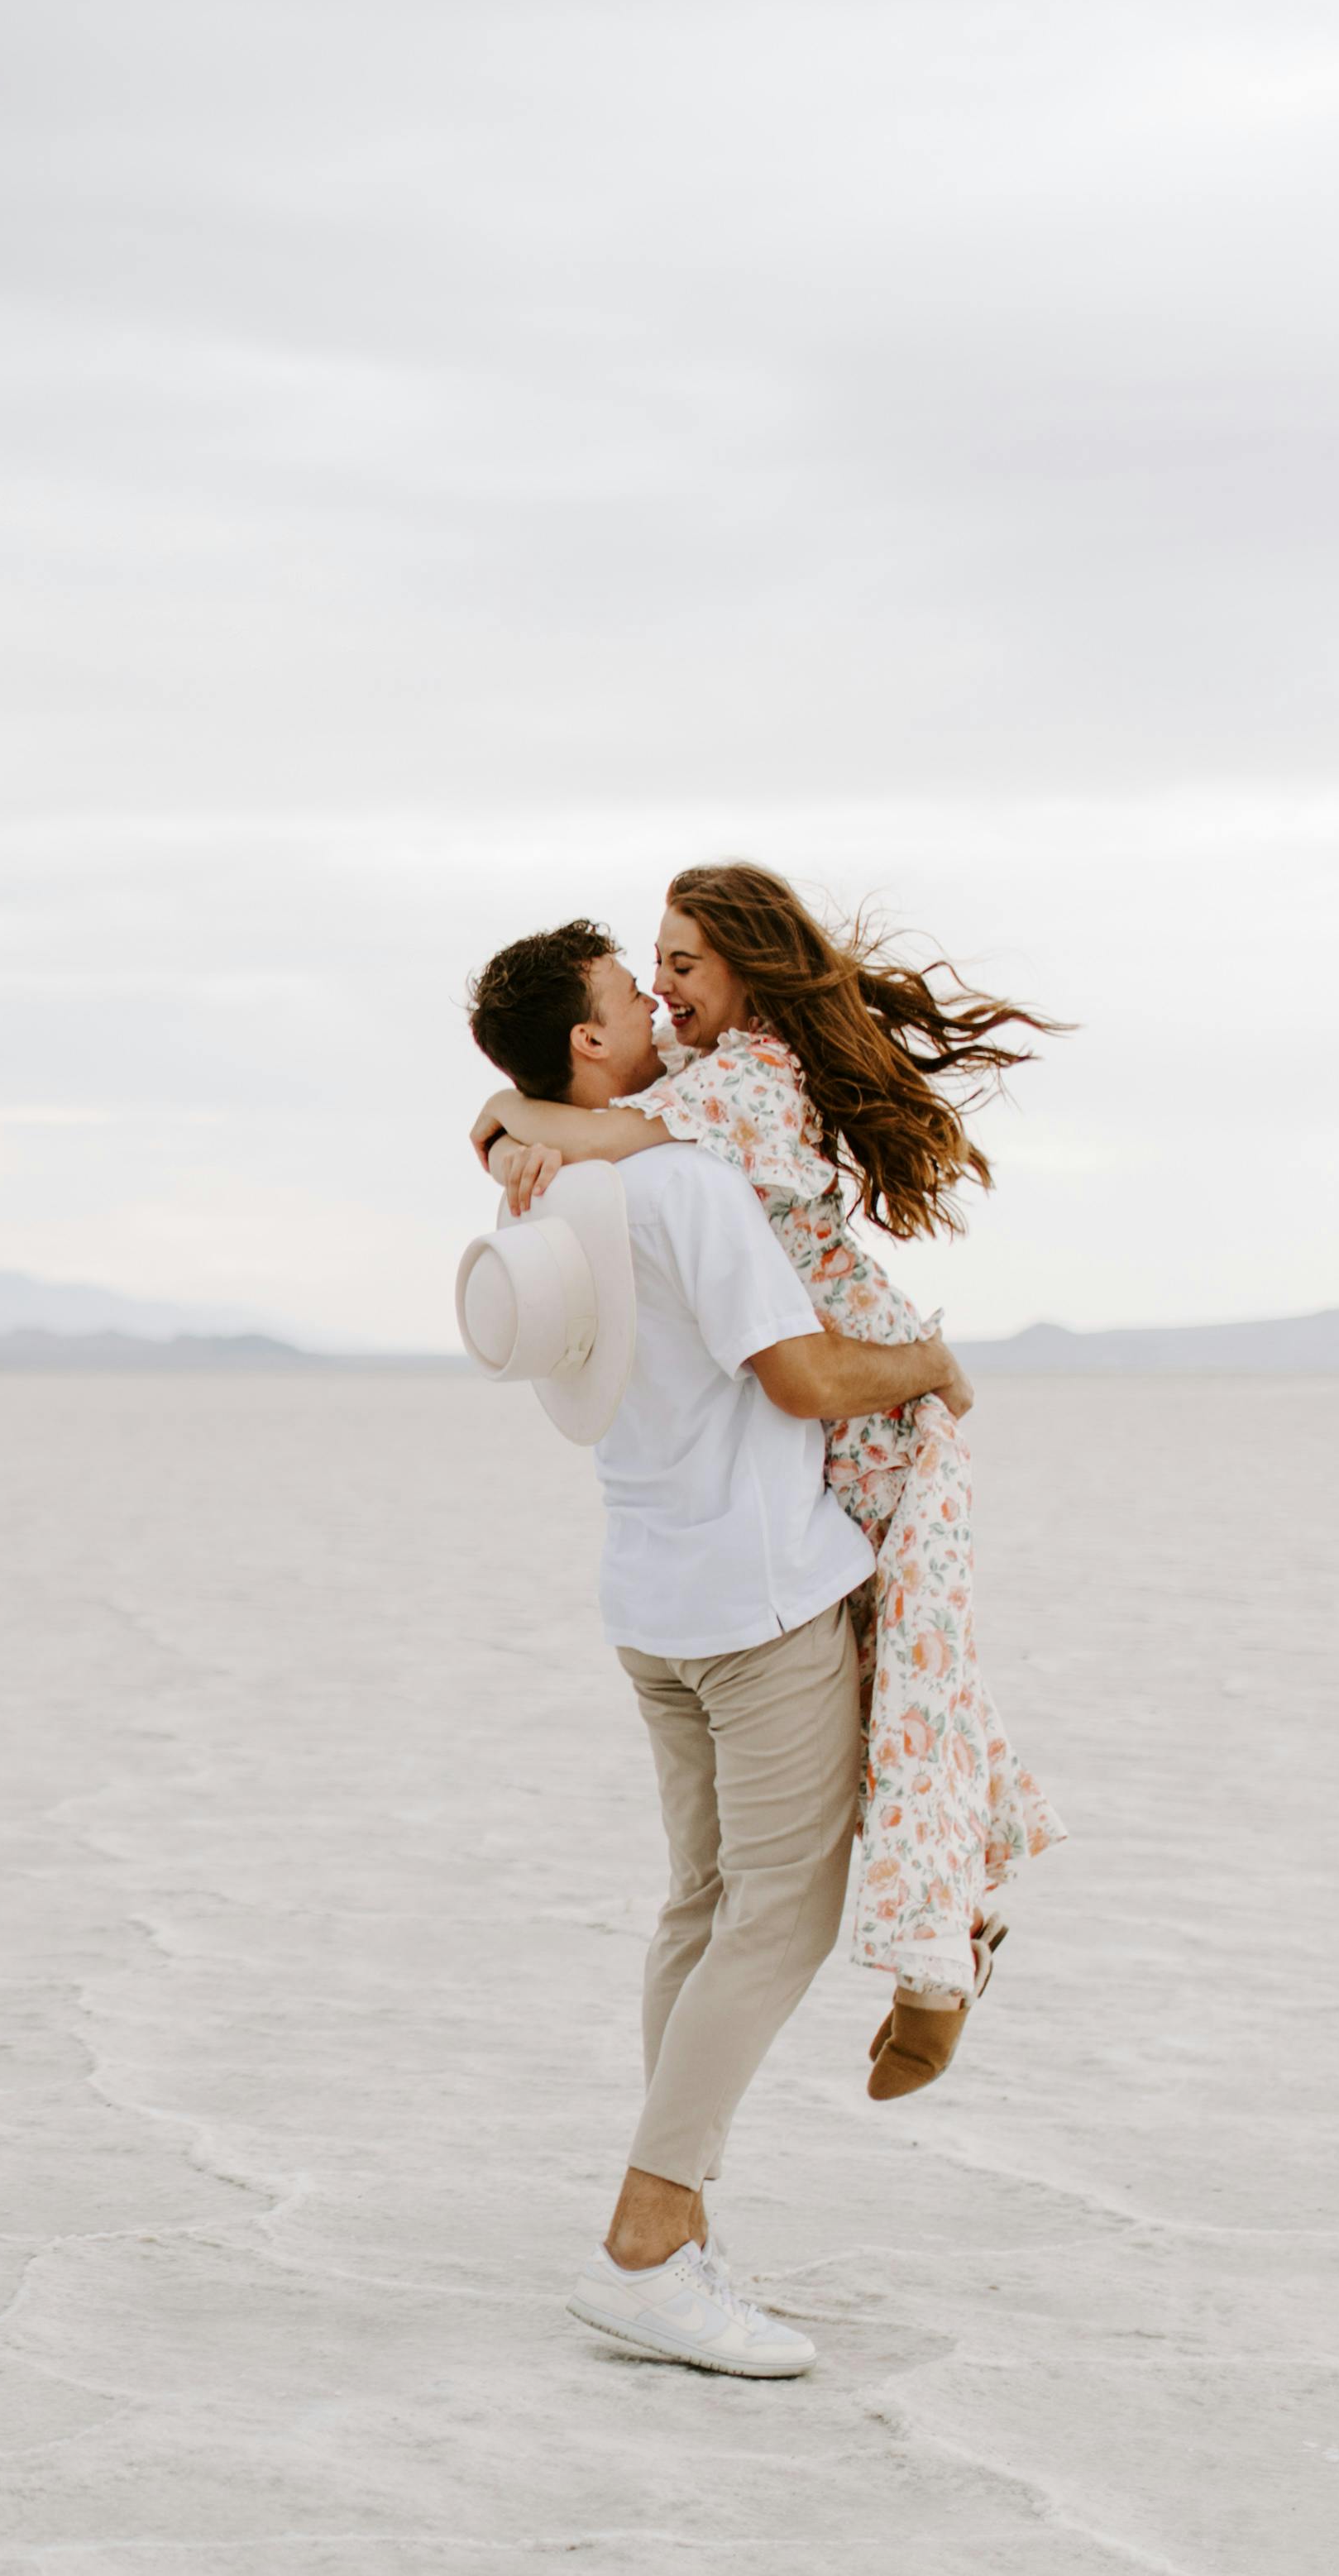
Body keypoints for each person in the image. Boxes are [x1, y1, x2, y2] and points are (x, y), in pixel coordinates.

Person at [457, 919, 969, 2379]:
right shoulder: (681, 1181)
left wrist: (504, 1132)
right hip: (754, 1606)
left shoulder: (545, 1194)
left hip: (647, 1602)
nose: (659, 1011)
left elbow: (502, 1133)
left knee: (696, 1909)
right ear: (588, 1044)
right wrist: (928, 1360)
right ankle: (643, 2243)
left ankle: (673, 2239)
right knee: (777, 1920)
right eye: (633, 993)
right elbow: (804, 1379)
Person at [471, 868, 1064, 2094]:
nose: (661, 988)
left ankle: (934, 1965)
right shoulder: (685, 1104)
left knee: (916, 1688)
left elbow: (597, 1130)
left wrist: (511, 1119)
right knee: (906, 1687)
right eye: (647, 971)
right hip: (834, 1425)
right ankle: (941, 1946)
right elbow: (580, 1123)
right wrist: (510, 1118)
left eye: (679, 963)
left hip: (878, 1400)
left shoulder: (742, 1083)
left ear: (743, 969)